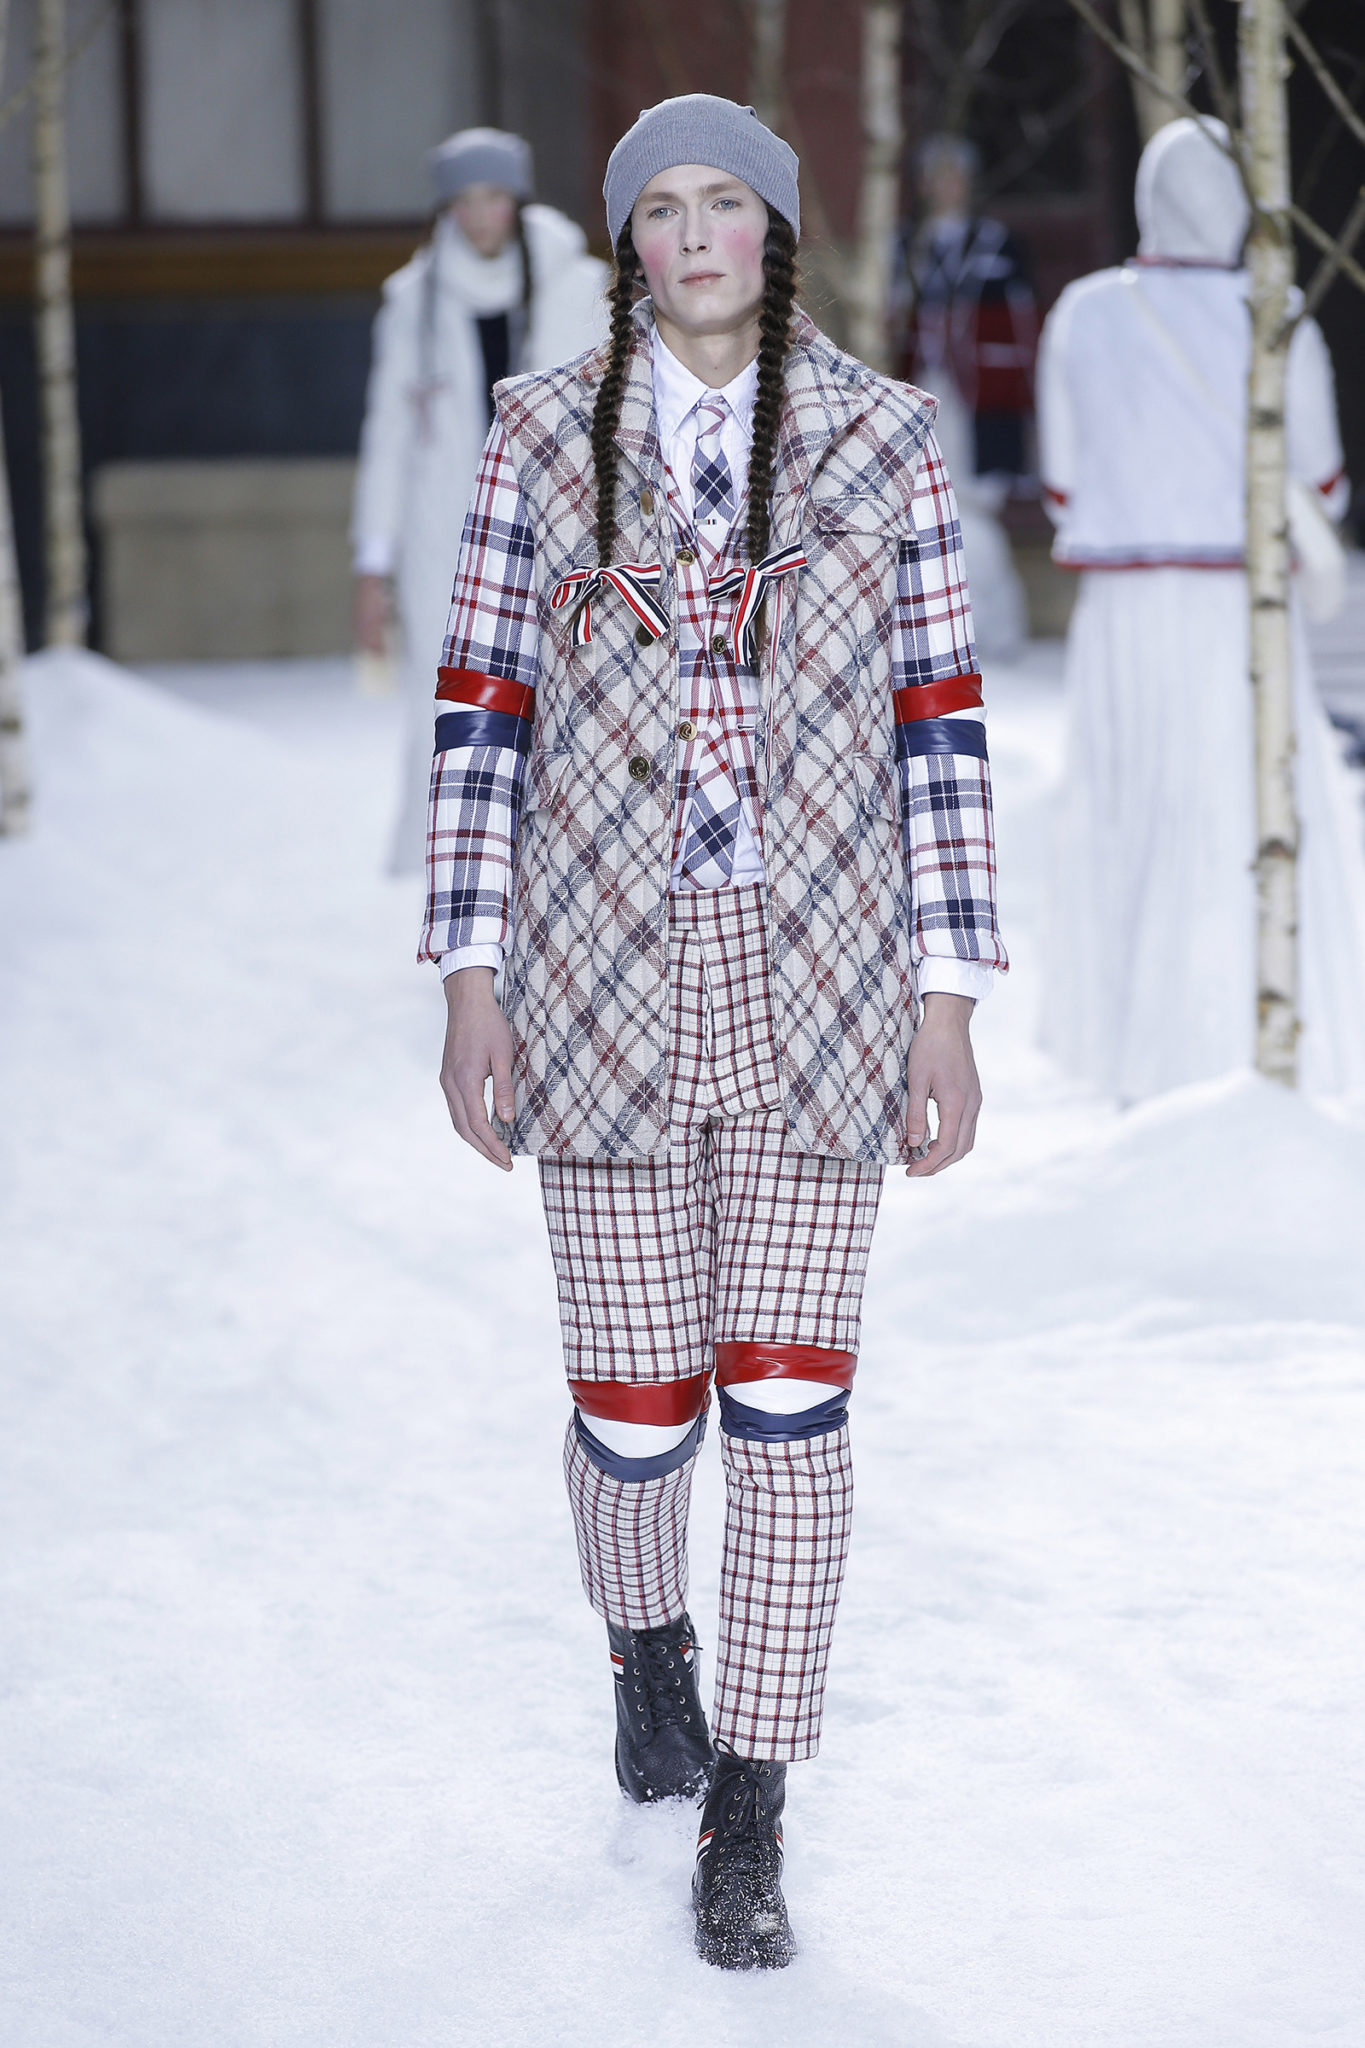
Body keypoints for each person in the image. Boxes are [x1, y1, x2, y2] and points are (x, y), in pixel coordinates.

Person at [420, 95, 1007, 1968]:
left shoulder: (880, 436)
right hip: (596, 970)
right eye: (659, 209)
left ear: (775, 230)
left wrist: (948, 999)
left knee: (791, 1415)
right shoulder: (540, 437)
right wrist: (469, 973)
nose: (691, 237)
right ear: (627, 243)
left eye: (723, 205)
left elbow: (941, 719)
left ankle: (750, 1805)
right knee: (635, 1415)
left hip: (822, 973)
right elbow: (479, 711)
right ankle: (644, 1640)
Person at [1037, 116, 1365, 1103]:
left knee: (1135, 818)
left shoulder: (1084, 313)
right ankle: (1259, 1045)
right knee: (1246, 813)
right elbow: (1325, 482)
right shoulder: (1274, 313)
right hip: (1240, 610)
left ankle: (1138, 1062)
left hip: (1123, 618)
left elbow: (1060, 484)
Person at [352, 128, 608, 872]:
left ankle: (564, 862)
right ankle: (457, 864)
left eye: (493, 196)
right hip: (445, 532)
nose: (479, 215)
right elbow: (388, 432)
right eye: (462, 201)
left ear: (517, 201)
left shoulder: (578, 285)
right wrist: (373, 564)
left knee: (566, 696)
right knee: (451, 700)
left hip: (558, 528)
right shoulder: (413, 301)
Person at [895, 133, 1036, 659]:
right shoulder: (904, 243)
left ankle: (995, 628)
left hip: (979, 398)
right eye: (936, 176)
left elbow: (1018, 325)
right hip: (922, 389)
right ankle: (932, 634)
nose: (946, 187)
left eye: (955, 176)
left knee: (977, 505)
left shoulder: (995, 243)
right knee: (923, 508)